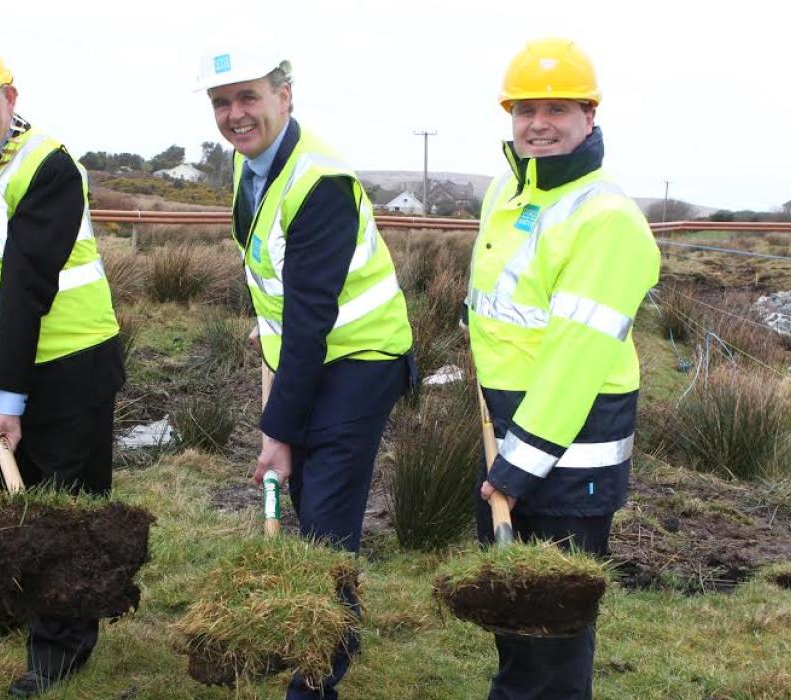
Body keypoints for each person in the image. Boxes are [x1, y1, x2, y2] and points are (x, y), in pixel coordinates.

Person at [197, 47, 415, 699]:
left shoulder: (318, 182)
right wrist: (280, 417)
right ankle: (330, 626)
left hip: (362, 359)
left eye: (249, 97)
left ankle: (317, 678)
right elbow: (275, 296)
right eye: (221, 102)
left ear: (285, 96)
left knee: (325, 520)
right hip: (307, 353)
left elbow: (312, 317)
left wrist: (275, 435)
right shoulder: (250, 169)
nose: (235, 115)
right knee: (306, 503)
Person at [0, 35, 124, 698]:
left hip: (68, 366)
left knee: (62, 512)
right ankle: (3, 610)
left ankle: (60, 647)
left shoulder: (48, 167)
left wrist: (11, 403)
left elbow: (31, 279)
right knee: (1, 501)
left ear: (11, 95)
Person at [467, 37, 660, 700]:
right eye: (524, 109)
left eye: (556, 108)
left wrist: (514, 472)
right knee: (514, 621)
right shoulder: (508, 190)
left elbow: (575, 361)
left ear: (589, 115)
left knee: (552, 633)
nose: (537, 123)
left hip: (566, 454)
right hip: (507, 435)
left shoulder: (607, 219)